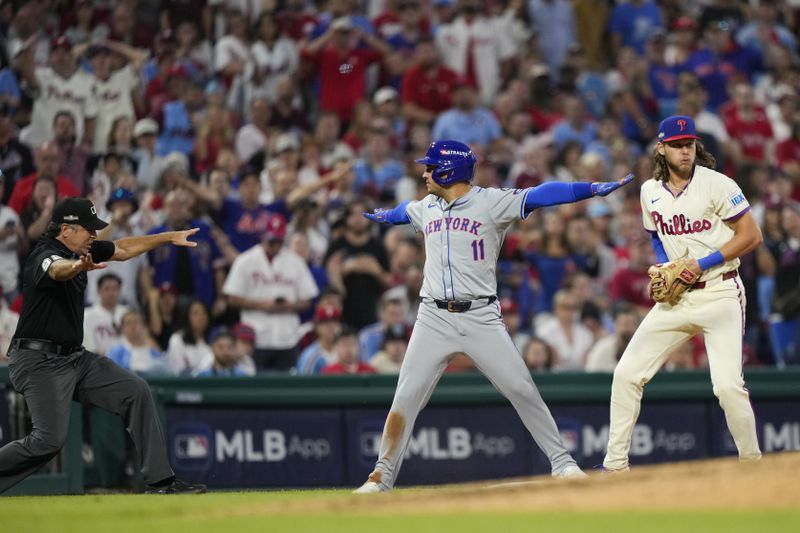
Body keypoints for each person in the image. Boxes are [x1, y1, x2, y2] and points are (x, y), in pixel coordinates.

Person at [354, 139, 632, 492]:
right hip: (432, 317)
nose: (424, 172)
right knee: (405, 397)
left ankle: (562, 463)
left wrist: (587, 190)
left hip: (480, 315)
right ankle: (381, 477)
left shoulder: (490, 202)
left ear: (448, 170)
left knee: (521, 387)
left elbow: (541, 194)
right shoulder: (428, 206)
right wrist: (384, 215)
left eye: (430, 166)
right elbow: (403, 212)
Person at [0, 197, 205, 494]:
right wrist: (76, 267)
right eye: (88, 230)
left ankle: (162, 482)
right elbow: (57, 270)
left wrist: (168, 237)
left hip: (75, 359)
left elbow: (122, 248)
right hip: (38, 360)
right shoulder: (45, 254)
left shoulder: (82, 249)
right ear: (66, 230)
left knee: (137, 391)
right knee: (48, 441)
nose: (95, 236)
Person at [603, 116, 763, 472]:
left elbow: (752, 236)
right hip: (677, 298)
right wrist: (664, 266)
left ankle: (753, 466)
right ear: (661, 148)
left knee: (726, 387)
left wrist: (700, 263)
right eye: (676, 145)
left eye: (688, 143)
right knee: (626, 374)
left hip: (720, 292)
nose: (684, 150)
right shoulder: (650, 191)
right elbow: (656, 234)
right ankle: (615, 467)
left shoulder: (717, 184)